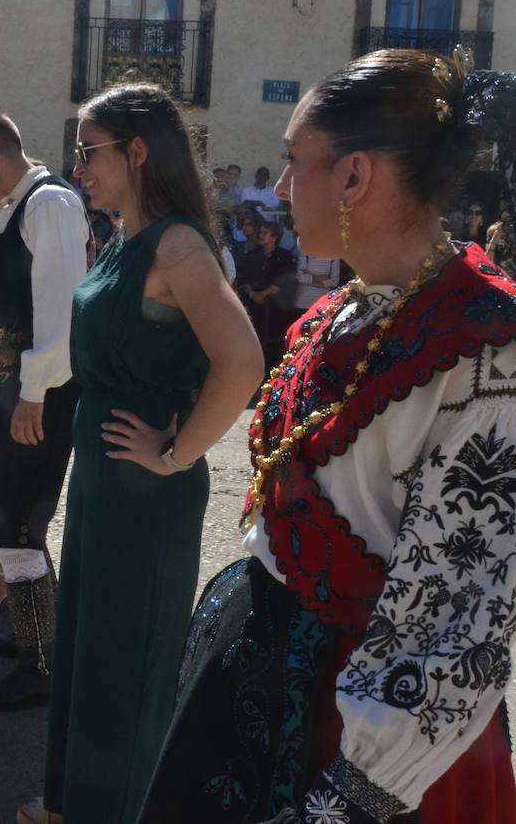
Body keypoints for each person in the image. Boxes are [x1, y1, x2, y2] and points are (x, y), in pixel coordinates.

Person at [140, 51, 516, 824]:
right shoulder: (346, 310)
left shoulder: (488, 351)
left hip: (361, 728)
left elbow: (465, 612)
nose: (278, 189)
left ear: (355, 178)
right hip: (260, 674)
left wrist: (353, 794)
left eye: (291, 162)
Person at [15, 85, 264, 824]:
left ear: (138, 151)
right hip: (105, 481)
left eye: (89, 150)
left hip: (144, 490)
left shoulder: (179, 245)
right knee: (91, 643)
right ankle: (75, 802)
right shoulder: (129, 237)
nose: (79, 165)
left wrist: (177, 452)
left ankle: (111, 809)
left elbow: (243, 362)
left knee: (127, 655)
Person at [0, 111, 88, 713]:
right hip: (23, 386)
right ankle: (38, 642)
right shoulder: (20, 207)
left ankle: (40, 669)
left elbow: (61, 308)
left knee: (22, 526)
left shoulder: (50, 205)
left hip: (42, 391)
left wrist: (34, 392)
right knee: (12, 521)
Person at [238, 218, 298, 371]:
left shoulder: (284, 257)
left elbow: (285, 280)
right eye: (260, 232)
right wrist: (252, 294)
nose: (261, 235)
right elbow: (243, 276)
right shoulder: (252, 255)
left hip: (275, 306)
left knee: (275, 342)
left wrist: (264, 294)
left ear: (274, 237)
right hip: (253, 304)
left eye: (265, 233)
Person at [292, 249, 343, 317]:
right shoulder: (305, 251)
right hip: (302, 303)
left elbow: (334, 281)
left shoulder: (334, 255)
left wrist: (310, 276)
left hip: (322, 305)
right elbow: (300, 277)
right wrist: (324, 278)